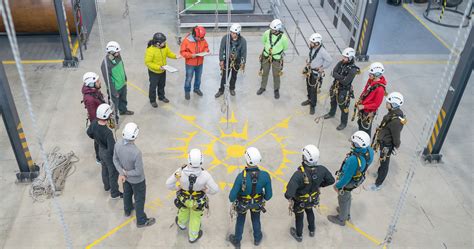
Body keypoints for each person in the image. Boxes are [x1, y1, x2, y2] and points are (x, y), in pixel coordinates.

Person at [166, 149, 219, 243]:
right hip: (197, 202)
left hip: (184, 199)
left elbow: (168, 184)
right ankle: (193, 236)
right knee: (195, 218)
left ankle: (181, 224)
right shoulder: (205, 175)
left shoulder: (180, 172)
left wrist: (177, 188)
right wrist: (206, 190)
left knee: (183, 210)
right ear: (202, 160)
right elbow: (215, 189)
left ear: (188, 159)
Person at [285, 145, 335, 242]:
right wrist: (320, 185)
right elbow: (331, 180)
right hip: (313, 199)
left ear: (304, 158)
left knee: (299, 217)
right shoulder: (322, 169)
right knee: (309, 211)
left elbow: (288, 194)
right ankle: (312, 230)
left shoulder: (298, 175)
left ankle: (299, 235)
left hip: (300, 202)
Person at [327, 131, 374, 226]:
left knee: (343, 197)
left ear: (357, 145)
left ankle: (342, 219)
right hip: (359, 178)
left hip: (349, 182)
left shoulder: (353, 160)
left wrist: (338, 186)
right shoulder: (369, 150)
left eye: (353, 142)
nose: (351, 143)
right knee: (347, 196)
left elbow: (346, 177)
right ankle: (346, 213)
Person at [228, 147, 272, 248]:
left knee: (240, 221)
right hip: (257, 204)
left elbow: (231, 197)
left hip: (242, 205)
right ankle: (257, 238)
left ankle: (237, 241)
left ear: (246, 159)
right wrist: (261, 199)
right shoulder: (265, 176)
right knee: (256, 219)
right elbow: (269, 196)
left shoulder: (240, 177)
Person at [113, 122, 156, 227]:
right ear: (135, 136)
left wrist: (122, 173)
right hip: (137, 181)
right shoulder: (136, 152)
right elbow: (138, 172)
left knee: (127, 193)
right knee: (139, 199)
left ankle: (127, 211)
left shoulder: (117, 144)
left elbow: (115, 159)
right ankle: (141, 220)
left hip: (125, 179)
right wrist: (126, 173)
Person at [367, 92, 406, 191]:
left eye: (388, 102)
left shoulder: (396, 121)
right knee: (381, 160)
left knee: (384, 163)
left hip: (387, 145)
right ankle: (380, 173)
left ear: (393, 104)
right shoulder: (392, 113)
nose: (386, 104)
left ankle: (378, 184)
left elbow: (396, 136)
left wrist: (396, 146)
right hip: (384, 141)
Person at [86, 103, 123, 199]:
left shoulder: (94, 123)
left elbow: (89, 133)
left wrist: (97, 140)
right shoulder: (108, 132)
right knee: (113, 173)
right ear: (106, 116)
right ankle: (114, 193)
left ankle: (107, 187)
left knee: (104, 169)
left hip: (100, 150)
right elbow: (112, 149)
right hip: (108, 154)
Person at [323, 47, 359, 130]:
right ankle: (332, 113)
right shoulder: (341, 63)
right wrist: (342, 77)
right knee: (333, 101)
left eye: (345, 57)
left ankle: (343, 123)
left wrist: (338, 77)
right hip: (335, 86)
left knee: (343, 107)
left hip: (344, 90)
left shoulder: (353, 70)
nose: (343, 58)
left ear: (350, 58)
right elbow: (333, 72)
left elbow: (346, 82)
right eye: (343, 56)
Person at [101, 41, 134, 123]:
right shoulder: (105, 64)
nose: (119, 52)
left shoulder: (118, 56)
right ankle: (114, 120)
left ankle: (123, 110)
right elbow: (107, 80)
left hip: (122, 84)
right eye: (117, 51)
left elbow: (122, 66)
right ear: (111, 52)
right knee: (114, 105)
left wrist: (125, 77)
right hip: (115, 89)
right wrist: (113, 92)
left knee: (123, 99)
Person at [145, 32, 181, 108]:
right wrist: (158, 67)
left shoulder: (164, 46)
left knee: (162, 84)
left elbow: (168, 53)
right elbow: (148, 62)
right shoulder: (150, 50)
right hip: (154, 72)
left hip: (163, 70)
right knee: (153, 87)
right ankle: (152, 100)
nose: (165, 43)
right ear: (158, 43)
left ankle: (161, 97)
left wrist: (175, 56)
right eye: (163, 42)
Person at [257, 19, 289, 99]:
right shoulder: (267, 33)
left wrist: (276, 51)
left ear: (278, 29)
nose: (271, 30)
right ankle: (263, 87)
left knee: (276, 74)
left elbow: (285, 47)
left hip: (276, 58)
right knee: (265, 72)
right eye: (271, 29)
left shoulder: (284, 38)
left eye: (273, 29)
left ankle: (276, 89)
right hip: (266, 56)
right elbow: (263, 41)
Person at [301, 33, 333, 115]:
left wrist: (322, 67)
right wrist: (308, 61)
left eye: (312, 42)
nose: (310, 43)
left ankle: (313, 105)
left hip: (315, 73)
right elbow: (311, 56)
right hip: (310, 71)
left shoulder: (322, 51)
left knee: (313, 90)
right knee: (308, 87)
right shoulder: (312, 48)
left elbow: (329, 60)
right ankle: (309, 99)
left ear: (317, 43)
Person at [353, 62, 387, 136]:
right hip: (363, 107)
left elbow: (376, 104)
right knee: (360, 123)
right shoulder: (370, 80)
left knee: (365, 128)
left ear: (377, 74)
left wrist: (364, 106)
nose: (369, 75)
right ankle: (360, 136)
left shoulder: (380, 89)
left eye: (371, 74)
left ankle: (365, 142)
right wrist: (360, 99)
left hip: (368, 111)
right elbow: (365, 90)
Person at [215, 23, 247, 98]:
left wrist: (243, 62)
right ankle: (221, 90)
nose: (232, 34)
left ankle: (232, 88)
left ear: (238, 33)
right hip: (227, 60)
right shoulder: (225, 38)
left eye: (234, 33)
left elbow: (244, 52)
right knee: (224, 76)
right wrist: (221, 60)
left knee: (234, 76)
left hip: (237, 61)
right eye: (231, 32)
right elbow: (221, 49)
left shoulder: (243, 41)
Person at [81, 72, 106, 165]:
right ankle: (99, 158)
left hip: (101, 118)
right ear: (91, 84)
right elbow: (93, 116)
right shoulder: (90, 99)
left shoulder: (94, 91)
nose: (100, 82)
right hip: (98, 123)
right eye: (97, 81)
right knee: (98, 140)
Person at [180, 26, 210, 100]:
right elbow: (182, 52)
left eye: (202, 38)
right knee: (189, 78)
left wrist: (206, 51)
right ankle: (187, 91)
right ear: (194, 35)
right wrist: (190, 55)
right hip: (190, 64)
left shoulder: (202, 39)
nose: (201, 39)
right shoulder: (186, 41)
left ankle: (196, 89)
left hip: (200, 63)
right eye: (199, 38)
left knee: (198, 78)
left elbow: (206, 46)